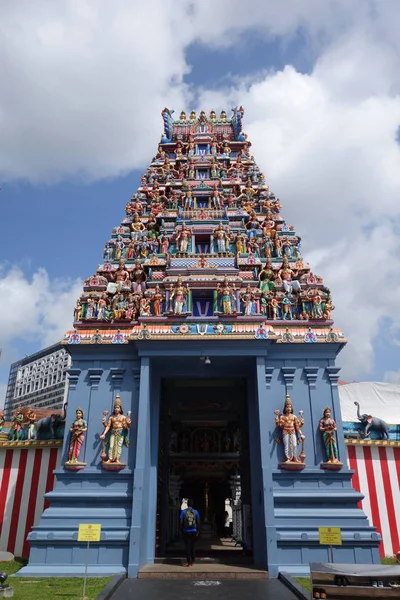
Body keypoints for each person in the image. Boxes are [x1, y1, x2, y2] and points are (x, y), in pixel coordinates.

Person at [180, 501, 201, 567]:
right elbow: (198, 522)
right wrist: (198, 531)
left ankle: (188, 562)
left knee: (187, 546)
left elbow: (181, 522)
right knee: (193, 546)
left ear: (187, 504)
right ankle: (192, 561)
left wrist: (180, 530)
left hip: (186, 531)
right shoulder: (196, 512)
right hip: (194, 531)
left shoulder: (183, 512)